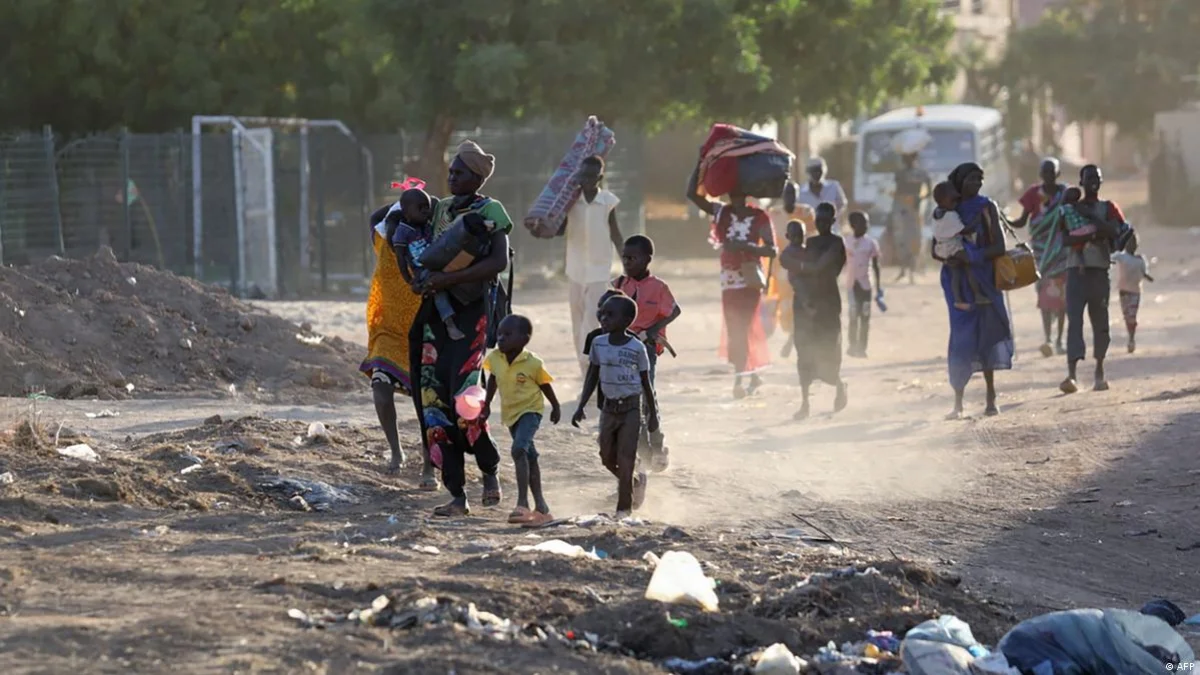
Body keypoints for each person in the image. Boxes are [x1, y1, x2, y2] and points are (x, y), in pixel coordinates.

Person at [409, 140, 512, 516]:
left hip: (471, 316)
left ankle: (489, 470)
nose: (452, 177)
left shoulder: (491, 211)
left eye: (460, 172)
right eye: (451, 171)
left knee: (466, 403)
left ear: (477, 177)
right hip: (435, 318)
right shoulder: (440, 210)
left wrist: (447, 281)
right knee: (433, 404)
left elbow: (497, 262)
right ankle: (456, 494)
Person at [687, 171, 777, 398]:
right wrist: (701, 164)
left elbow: (771, 249)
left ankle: (740, 378)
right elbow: (693, 196)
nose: (733, 196)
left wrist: (746, 247)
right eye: (731, 191)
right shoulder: (722, 212)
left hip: (750, 277)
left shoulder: (759, 217)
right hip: (729, 278)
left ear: (745, 193)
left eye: (738, 191)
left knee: (743, 325)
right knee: (735, 326)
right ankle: (751, 373)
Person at [934, 163, 1014, 419]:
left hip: (985, 279)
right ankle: (958, 402)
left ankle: (991, 397)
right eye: (971, 179)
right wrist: (952, 258)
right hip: (957, 283)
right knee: (961, 339)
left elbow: (999, 247)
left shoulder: (986, 207)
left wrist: (972, 256)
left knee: (988, 336)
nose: (977, 183)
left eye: (980, 179)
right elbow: (934, 248)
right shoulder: (947, 208)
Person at [572, 294, 660, 518]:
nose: (604, 318)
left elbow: (645, 383)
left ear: (627, 319)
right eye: (602, 313)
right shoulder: (598, 343)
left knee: (626, 457)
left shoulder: (636, 347)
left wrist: (652, 415)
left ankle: (624, 509)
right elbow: (592, 375)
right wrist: (581, 405)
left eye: (610, 315)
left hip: (631, 408)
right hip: (608, 408)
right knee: (606, 455)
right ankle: (632, 481)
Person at [361, 196, 426, 473]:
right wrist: (404, 198)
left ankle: (429, 463)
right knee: (381, 389)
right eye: (393, 226)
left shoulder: (425, 249)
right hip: (387, 333)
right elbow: (374, 216)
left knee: (427, 404)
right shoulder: (381, 244)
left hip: (423, 334)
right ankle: (396, 451)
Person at [481, 314, 561, 527]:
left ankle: (522, 503)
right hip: (511, 414)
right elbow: (493, 380)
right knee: (530, 456)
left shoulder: (533, 362)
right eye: (499, 334)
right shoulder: (495, 358)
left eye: (508, 334)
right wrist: (487, 404)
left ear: (524, 339)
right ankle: (542, 508)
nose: (501, 338)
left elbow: (545, 385)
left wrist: (556, 405)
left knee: (518, 450)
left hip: (530, 411)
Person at [1060, 164, 1129, 394]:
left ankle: (1099, 371)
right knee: (1075, 322)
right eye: (1089, 178)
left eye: (1097, 178)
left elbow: (1117, 232)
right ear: (1081, 181)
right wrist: (1095, 232)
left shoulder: (1108, 207)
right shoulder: (1070, 209)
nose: (1093, 182)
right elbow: (1065, 240)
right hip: (1075, 272)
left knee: (1100, 323)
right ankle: (1071, 374)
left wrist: (1092, 219)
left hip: (1099, 270)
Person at [613, 235, 679, 470]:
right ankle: (642, 449)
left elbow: (674, 310)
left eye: (633, 258)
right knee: (629, 400)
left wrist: (652, 331)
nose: (627, 262)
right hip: (621, 349)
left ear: (647, 259)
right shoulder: (619, 285)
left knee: (646, 396)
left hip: (646, 349)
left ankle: (658, 444)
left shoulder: (658, 287)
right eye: (625, 258)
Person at [781, 202, 848, 420]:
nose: (821, 224)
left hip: (827, 303)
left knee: (829, 349)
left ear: (833, 221)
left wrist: (798, 267)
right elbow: (789, 263)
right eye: (818, 220)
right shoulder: (809, 243)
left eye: (826, 220)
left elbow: (820, 266)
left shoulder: (837, 243)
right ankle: (805, 402)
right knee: (804, 352)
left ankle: (838, 385)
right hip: (805, 303)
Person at [563, 155, 623, 375]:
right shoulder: (570, 201)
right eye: (584, 175)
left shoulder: (607, 201)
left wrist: (627, 261)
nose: (587, 180)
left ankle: (591, 363)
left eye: (592, 175)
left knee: (593, 317)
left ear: (600, 177)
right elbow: (558, 229)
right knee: (577, 318)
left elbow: (615, 233)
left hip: (599, 269)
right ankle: (583, 366)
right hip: (575, 269)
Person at [386, 188, 466, 341]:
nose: (425, 211)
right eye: (420, 207)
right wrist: (409, 280)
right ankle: (449, 323)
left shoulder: (427, 225)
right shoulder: (402, 232)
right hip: (422, 271)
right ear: (406, 211)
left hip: (438, 264)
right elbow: (401, 259)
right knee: (438, 290)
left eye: (427, 207)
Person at [1012, 158, 1070, 357]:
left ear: (1058, 174)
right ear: (1040, 175)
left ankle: (1061, 340)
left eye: (1052, 173)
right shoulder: (1032, 194)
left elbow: (1072, 217)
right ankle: (1048, 339)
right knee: (1045, 294)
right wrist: (1002, 219)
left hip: (1062, 250)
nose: (1048, 177)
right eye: (1045, 173)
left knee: (1063, 298)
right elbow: (1021, 221)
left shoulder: (1066, 194)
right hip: (1041, 252)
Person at [931, 182, 988, 311]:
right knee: (970, 265)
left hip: (941, 248)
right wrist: (979, 218)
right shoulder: (951, 215)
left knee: (956, 272)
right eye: (953, 200)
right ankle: (978, 294)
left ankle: (958, 300)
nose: (956, 202)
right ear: (945, 200)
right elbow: (965, 230)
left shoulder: (935, 214)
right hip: (953, 247)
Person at [777, 206, 815, 359]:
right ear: (788, 236)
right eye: (794, 235)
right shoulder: (788, 253)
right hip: (795, 288)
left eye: (800, 235)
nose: (798, 238)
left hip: (806, 289)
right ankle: (792, 343)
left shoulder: (808, 251)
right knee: (798, 319)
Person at [890, 152, 932, 284]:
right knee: (902, 238)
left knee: (915, 238)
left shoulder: (921, 173)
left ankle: (914, 268)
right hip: (902, 207)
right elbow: (897, 191)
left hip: (914, 208)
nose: (907, 161)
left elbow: (929, 190)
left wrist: (919, 199)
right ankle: (904, 269)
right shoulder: (900, 174)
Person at [844, 211, 882, 358]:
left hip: (866, 285)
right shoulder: (846, 242)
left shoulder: (871, 243)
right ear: (853, 226)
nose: (866, 226)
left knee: (864, 317)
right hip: (851, 285)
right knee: (853, 316)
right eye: (863, 223)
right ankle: (852, 346)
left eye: (867, 223)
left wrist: (878, 288)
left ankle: (862, 347)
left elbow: (876, 265)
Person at [1112, 232, 1153, 354]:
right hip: (1124, 291)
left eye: (1134, 243)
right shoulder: (1121, 257)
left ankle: (1131, 339)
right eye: (1130, 243)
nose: (1132, 245)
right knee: (1127, 316)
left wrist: (1147, 277)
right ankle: (1131, 338)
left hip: (1135, 291)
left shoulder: (1141, 260)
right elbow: (1110, 259)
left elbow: (1143, 272)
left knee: (1132, 316)